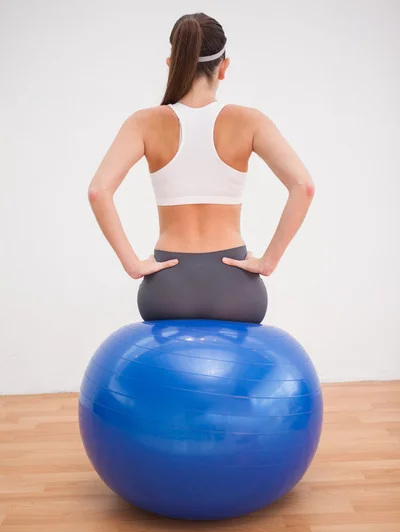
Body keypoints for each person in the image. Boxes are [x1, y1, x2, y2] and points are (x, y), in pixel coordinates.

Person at [88, 13, 315, 323]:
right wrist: (267, 262)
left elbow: (99, 191)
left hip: (167, 289)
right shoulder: (250, 121)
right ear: (224, 67)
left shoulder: (143, 123)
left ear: (172, 63)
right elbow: (303, 186)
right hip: (236, 288)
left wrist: (133, 265)